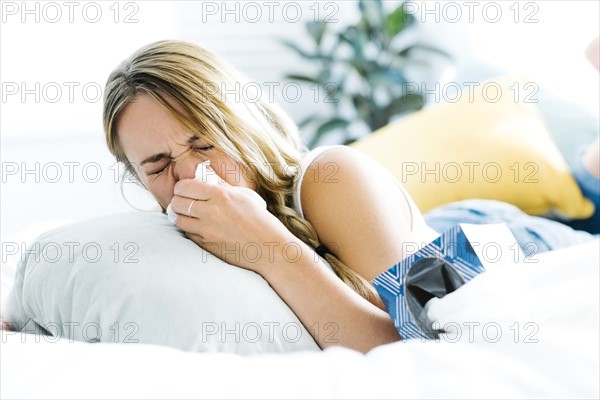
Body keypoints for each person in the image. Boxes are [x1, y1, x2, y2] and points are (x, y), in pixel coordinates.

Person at [101, 39, 599, 353]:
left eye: (203, 142)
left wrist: (270, 246)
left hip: (492, 242)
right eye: (158, 166)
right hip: (412, 243)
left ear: (241, 122)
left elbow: (411, 344)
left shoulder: (330, 178)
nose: (192, 173)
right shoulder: (168, 225)